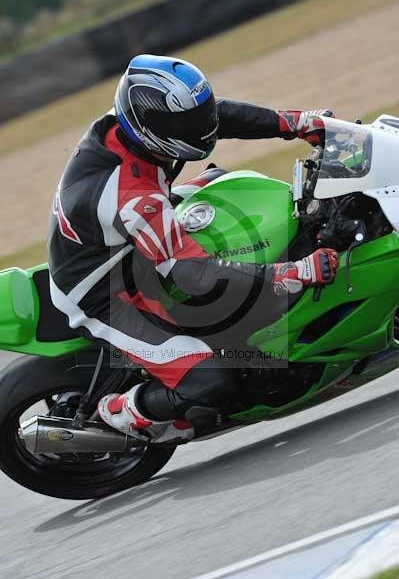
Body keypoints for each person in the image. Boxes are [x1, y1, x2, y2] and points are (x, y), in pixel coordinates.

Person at [48, 54, 338, 444]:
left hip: (129, 236)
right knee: (207, 381)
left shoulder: (135, 123)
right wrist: (294, 273)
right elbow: (192, 274)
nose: (203, 128)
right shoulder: (131, 196)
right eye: (190, 123)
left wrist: (297, 123)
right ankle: (117, 413)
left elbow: (221, 116)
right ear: (154, 127)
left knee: (227, 182)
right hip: (105, 291)